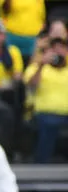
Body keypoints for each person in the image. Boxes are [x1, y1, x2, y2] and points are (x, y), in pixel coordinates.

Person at [24, 35, 68, 163]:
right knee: (49, 123)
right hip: (44, 113)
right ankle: (41, 164)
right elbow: (31, 85)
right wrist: (42, 65)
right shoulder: (37, 68)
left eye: (62, 48)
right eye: (54, 48)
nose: (58, 51)